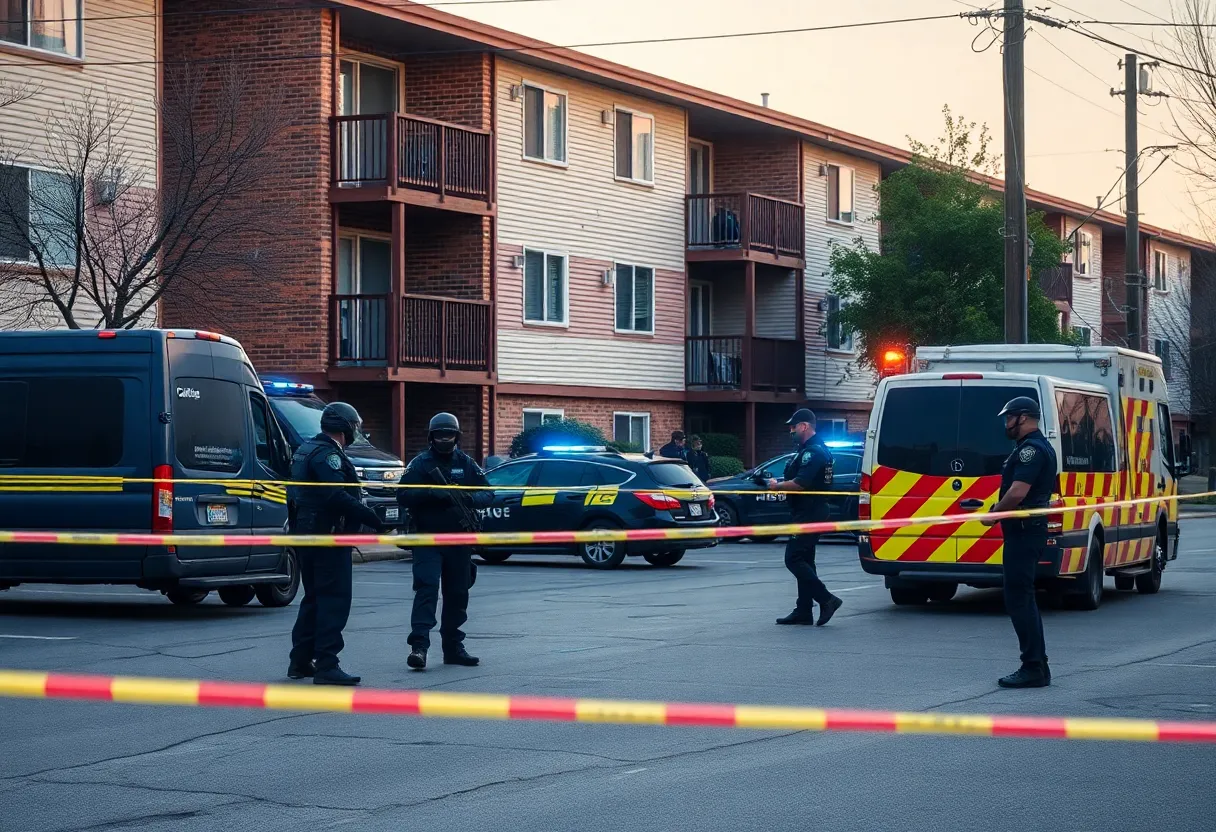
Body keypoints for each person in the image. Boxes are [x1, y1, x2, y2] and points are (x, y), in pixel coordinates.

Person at [287, 402, 383, 686]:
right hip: (328, 537)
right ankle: (327, 663)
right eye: (355, 427)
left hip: (306, 534)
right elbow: (335, 496)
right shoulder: (328, 456)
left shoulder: (305, 449)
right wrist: (372, 518)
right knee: (333, 600)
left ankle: (300, 659)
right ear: (346, 427)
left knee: (314, 598)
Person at [397, 412, 493, 671]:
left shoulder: (466, 463)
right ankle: (419, 647)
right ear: (431, 436)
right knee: (427, 590)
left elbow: (488, 493)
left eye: (449, 435)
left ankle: (453, 647)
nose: (444, 439)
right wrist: (432, 493)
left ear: (456, 436)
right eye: (439, 435)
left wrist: (468, 499)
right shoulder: (420, 464)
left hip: (459, 541)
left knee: (458, 593)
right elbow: (402, 495)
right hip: (428, 538)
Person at [982, 396, 1058, 688]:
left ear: (1023, 418)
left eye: (1008, 417)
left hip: (1025, 531)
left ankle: (1033, 666)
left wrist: (994, 516)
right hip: (1025, 530)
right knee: (1022, 597)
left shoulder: (1031, 451)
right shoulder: (1033, 447)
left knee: (1019, 598)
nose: (1005, 423)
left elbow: (1017, 492)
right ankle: (1037, 664)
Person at [767, 408, 843, 626]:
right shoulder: (807, 449)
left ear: (804, 426)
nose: (791, 431)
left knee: (793, 558)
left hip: (810, 512)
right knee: (806, 560)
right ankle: (804, 610)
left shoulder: (814, 452)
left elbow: (800, 484)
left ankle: (827, 599)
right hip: (806, 510)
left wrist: (776, 486)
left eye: (793, 427)